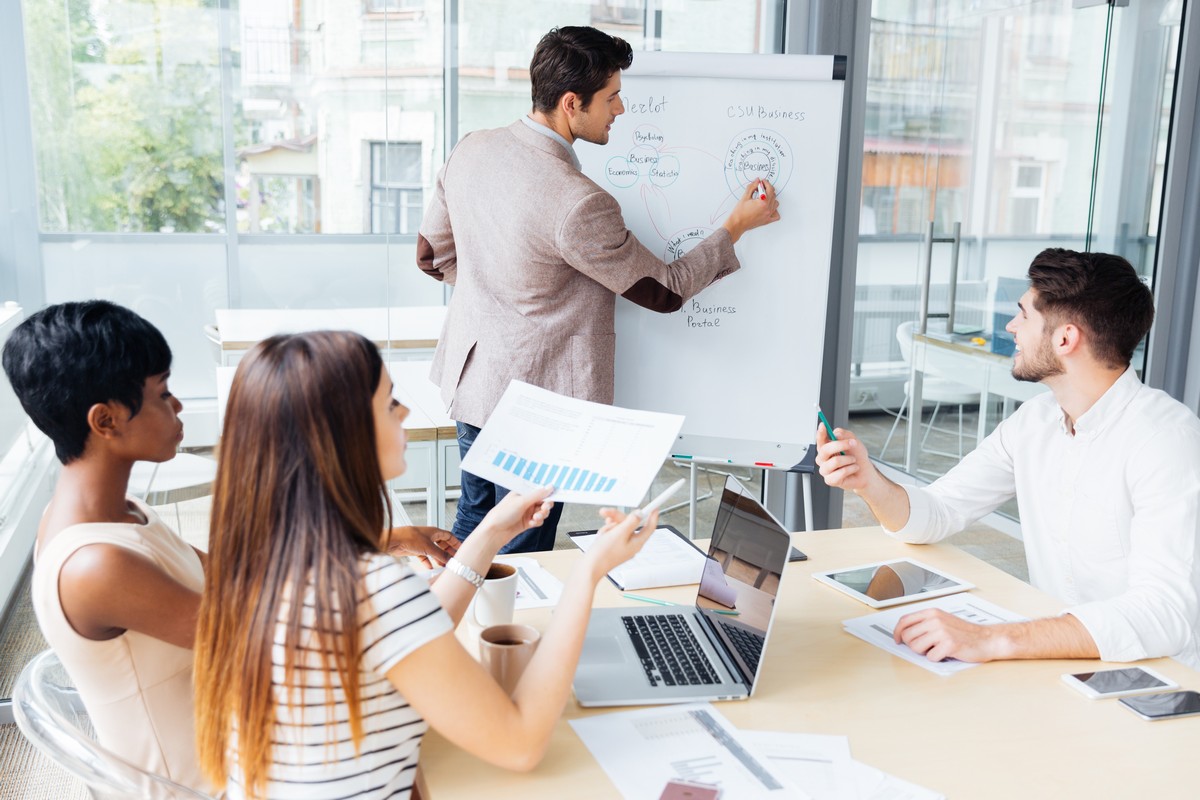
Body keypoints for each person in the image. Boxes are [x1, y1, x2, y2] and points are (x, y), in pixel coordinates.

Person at [0, 301, 460, 791]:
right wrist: (425, 587)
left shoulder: (111, 514)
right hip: (207, 783)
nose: (178, 406)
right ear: (106, 420)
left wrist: (387, 540)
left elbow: (237, 576)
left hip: (234, 743)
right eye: (163, 393)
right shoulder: (96, 565)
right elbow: (273, 643)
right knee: (423, 733)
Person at [194, 331, 656, 800]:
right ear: (343, 436)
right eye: (389, 403)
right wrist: (587, 573)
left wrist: (491, 532)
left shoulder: (259, 556)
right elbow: (520, 744)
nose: (405, 414)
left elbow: (413, 632)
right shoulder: (370, 587)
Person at [418, 25, 780, 553]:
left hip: (472, 380)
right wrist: (736, 226)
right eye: (611, 97)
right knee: (523, 547)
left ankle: (457, 607)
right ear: (572, 103)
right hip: (536, 410)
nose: (620, 109)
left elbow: (432, 257)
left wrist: (500, 288)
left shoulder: (471, 149)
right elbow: (665, 290)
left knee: (475, 519)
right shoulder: (578, 202)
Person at [816, 248, 1200, 669]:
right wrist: (868, 481)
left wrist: (992, 638)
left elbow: (1165, 612)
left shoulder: (1167, 439)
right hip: (1058, 659)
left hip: (1156, 677)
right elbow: (939, 512)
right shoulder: (1035, 421)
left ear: (1065, 339)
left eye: (1024, 315)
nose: (1011, 326)